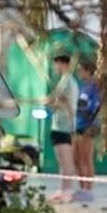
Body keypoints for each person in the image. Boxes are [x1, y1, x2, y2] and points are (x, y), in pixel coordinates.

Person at [47, 53, 81, 202]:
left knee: (67, 162)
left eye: (57, 63)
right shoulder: (63, 80)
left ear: (64, 64)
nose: (55, 67)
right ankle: (62, 190)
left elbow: (64, 102)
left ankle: (68, 191)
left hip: (65, 127)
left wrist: (54, 103)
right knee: (62, 162)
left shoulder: (68, 81)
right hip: (58, 125)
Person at [71, 71, 103, 203]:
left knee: (86, 158)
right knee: (77, 159)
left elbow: (96, 107)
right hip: (77, 124)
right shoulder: (82, 86)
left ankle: (89, 189)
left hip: (88, 126)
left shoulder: (95, 88)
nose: (80, 74)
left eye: (82, 70)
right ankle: (82, 187)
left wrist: (90, 121)